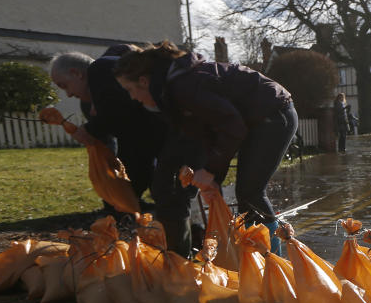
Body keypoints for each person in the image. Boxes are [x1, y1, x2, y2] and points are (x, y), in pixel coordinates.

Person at [114, 40, 298, 255]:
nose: (132, 97)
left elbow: (232, 126)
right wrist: (213, 180)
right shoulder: (171, 88)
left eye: (129, 89)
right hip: (253, 119)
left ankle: (271, 262)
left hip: (274, 115)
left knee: (250, 191)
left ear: (144, 81)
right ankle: (256, 258)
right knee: (246, 192)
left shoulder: (184, 86)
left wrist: (209, 170)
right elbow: (208, 134)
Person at [49, 48, 165, 211]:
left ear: (77, 73)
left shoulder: (99, 69)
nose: (68, 94)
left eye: (64, 85)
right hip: (142, 140)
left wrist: (88, 130)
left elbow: (116, 114)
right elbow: (110, 142)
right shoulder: (88, 103)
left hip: (165, 132)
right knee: (135, 183)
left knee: (166, 190)